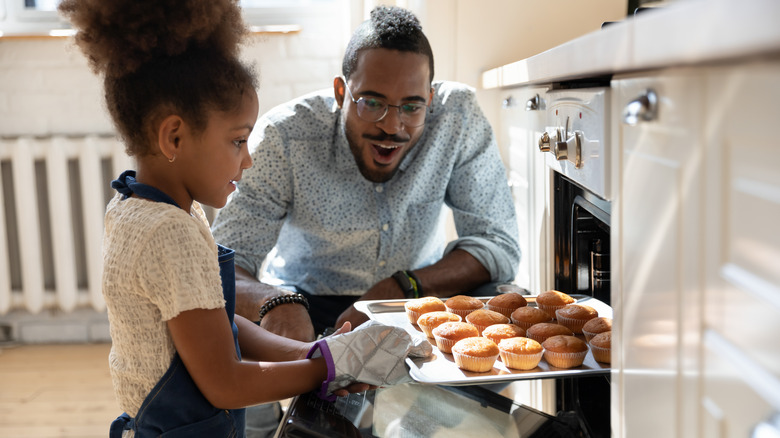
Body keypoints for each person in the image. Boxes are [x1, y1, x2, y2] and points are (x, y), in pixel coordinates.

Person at [58, 1, 430, 437]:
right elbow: (225, 384)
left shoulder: (141, 206)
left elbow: (212, 320)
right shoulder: (168, 231)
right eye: (237, 141)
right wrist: (330, 369)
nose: (249, 159)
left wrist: (311, 351)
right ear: (174, 135)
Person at [212, 5, 521, 341]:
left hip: (418, 294)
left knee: (507, 312)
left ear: (430, 99)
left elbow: (498, 244)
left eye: (412, 106)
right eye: (372, 103)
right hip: (303, 300)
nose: (392, 126)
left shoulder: (457, 117)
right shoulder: (284, 136)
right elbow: (221, 261)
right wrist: (275, 302)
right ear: (341, 92)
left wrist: (402, 286)